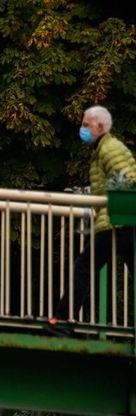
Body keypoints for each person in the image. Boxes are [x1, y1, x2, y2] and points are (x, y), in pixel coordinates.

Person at [57, 105, 136, 326]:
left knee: (84, 266)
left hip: (114, 222)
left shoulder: (109, 149)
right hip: (122, 222)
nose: (82, 129)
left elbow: (127, 179)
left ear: (100, 126)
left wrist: (111, 200)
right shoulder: (106, 148)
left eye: (85, 125)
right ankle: (63, 319)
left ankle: (63, 320)